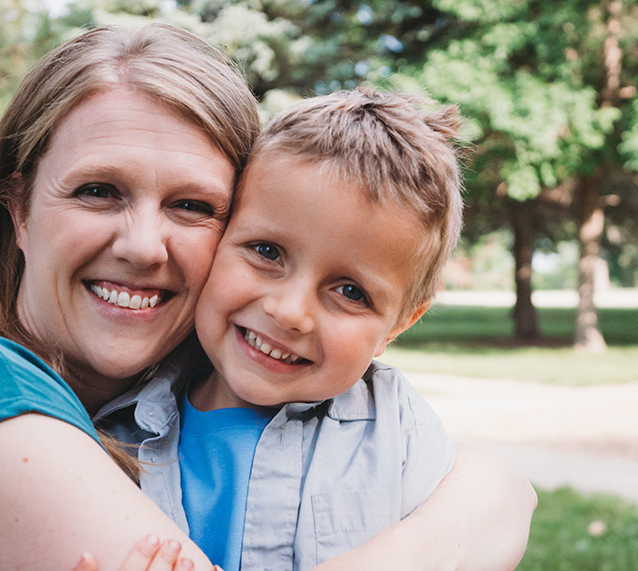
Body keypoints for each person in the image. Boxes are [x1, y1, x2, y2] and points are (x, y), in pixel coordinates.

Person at [0, 23, 535, 571]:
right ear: (17, 209)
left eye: (193, 205)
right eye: (98, 190)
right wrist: (467, 518)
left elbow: (491, 488)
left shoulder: (154, 415)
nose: (144, 245)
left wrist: (489, 496)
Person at [96, 87, 480, 570]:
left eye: (350, 291)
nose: (290, 312)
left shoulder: (403, 441)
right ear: (219, 236)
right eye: (267, 252)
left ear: (399, 324)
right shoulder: (113, 430)